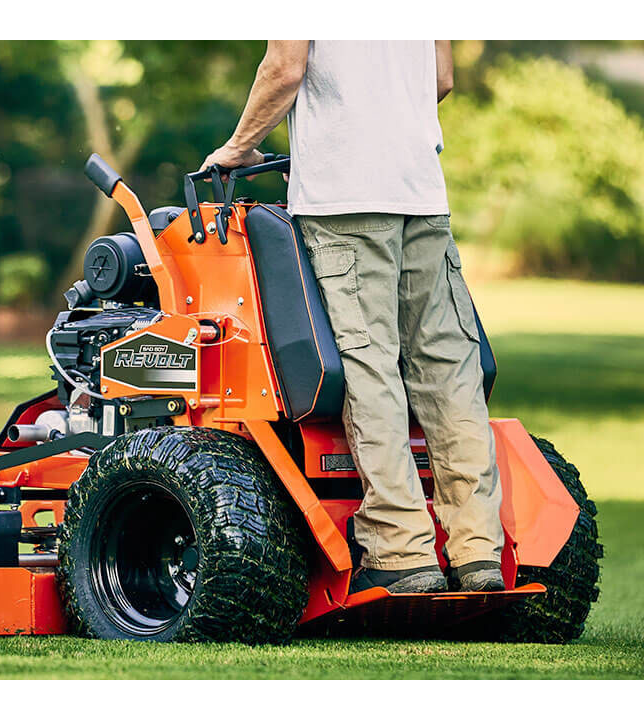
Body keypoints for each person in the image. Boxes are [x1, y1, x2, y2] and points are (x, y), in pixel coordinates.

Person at [201, 41, 505, 594]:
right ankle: (478, 550)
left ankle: (402, 551)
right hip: (421, 192)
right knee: (448, 373)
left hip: (345, 199)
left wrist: (240, 146)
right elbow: (440, 78)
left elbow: (285, 67)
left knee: (371, 369)